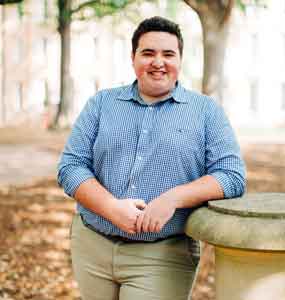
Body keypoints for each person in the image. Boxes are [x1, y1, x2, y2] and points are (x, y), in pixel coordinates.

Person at [57, 16, 246, 300]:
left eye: (168, 54)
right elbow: (71, 167)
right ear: (133, 58)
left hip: (163, 254)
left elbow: (231, 177)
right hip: (91, 245)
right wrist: (111, 208)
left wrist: (172, 198)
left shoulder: (206, 112)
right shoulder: (101, 104)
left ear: (180, 60)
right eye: (148, 53)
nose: (158, 62)